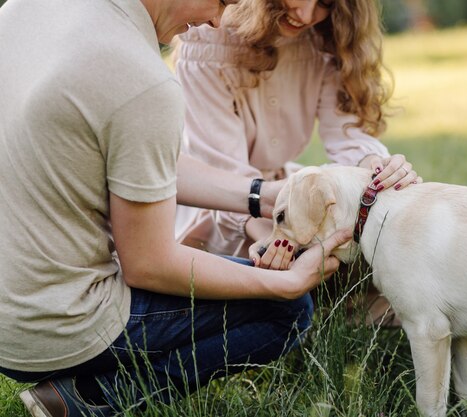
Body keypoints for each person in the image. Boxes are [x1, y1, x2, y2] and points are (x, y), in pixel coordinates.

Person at [0, 0, 350, 416]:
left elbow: (133, 151)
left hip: (9, 306)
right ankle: (92, 399)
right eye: (222, 2)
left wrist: (261, 194)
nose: (218, 21)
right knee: (288, 313)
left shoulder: (28, 8)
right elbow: (149, 264)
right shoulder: (141, 80)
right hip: (49, 325)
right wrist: (284, 285)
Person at [173, 0, 421, 323]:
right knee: (281, 269)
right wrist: (278, 233)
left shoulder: (326, 38)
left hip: (280, 191)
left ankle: (345, 307)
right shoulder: (208, 40)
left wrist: (376, 168)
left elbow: (347, 137)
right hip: (218, 204)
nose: (305, 15)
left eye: (325, 4)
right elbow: (227, 177)